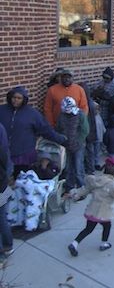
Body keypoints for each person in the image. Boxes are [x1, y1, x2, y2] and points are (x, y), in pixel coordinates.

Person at [67, 156, 114, 257]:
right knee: (107, 226)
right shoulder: (112, 185)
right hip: (104, 213)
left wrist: (73, 193)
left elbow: (84, 189)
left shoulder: (95, 180)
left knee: (88, 229)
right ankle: (104, 243)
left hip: (92, 211)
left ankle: (74, 244)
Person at [0, 86, 66, 178]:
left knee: (21, 180)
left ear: (24, 99)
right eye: (14, 97)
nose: (15, 100)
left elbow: (45, 129)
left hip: (23, 154)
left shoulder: (32, 114)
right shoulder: (2, 110)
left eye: (19, 98)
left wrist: (60, 139)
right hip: (4, 153)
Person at [55, 97, 89, 192]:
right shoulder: (61, 116)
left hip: (78, 146)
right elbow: (58, 128)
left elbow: (85, 130)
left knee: (78, 167)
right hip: (66, 145)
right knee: (68, 167)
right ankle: (69, 186)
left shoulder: (80, 115)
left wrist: (78, 142)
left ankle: (81, 187)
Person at [0, 123, 14, 262]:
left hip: (1, 182)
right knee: (1, 215)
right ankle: (8, 245)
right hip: (2, 181)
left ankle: (4, 249)